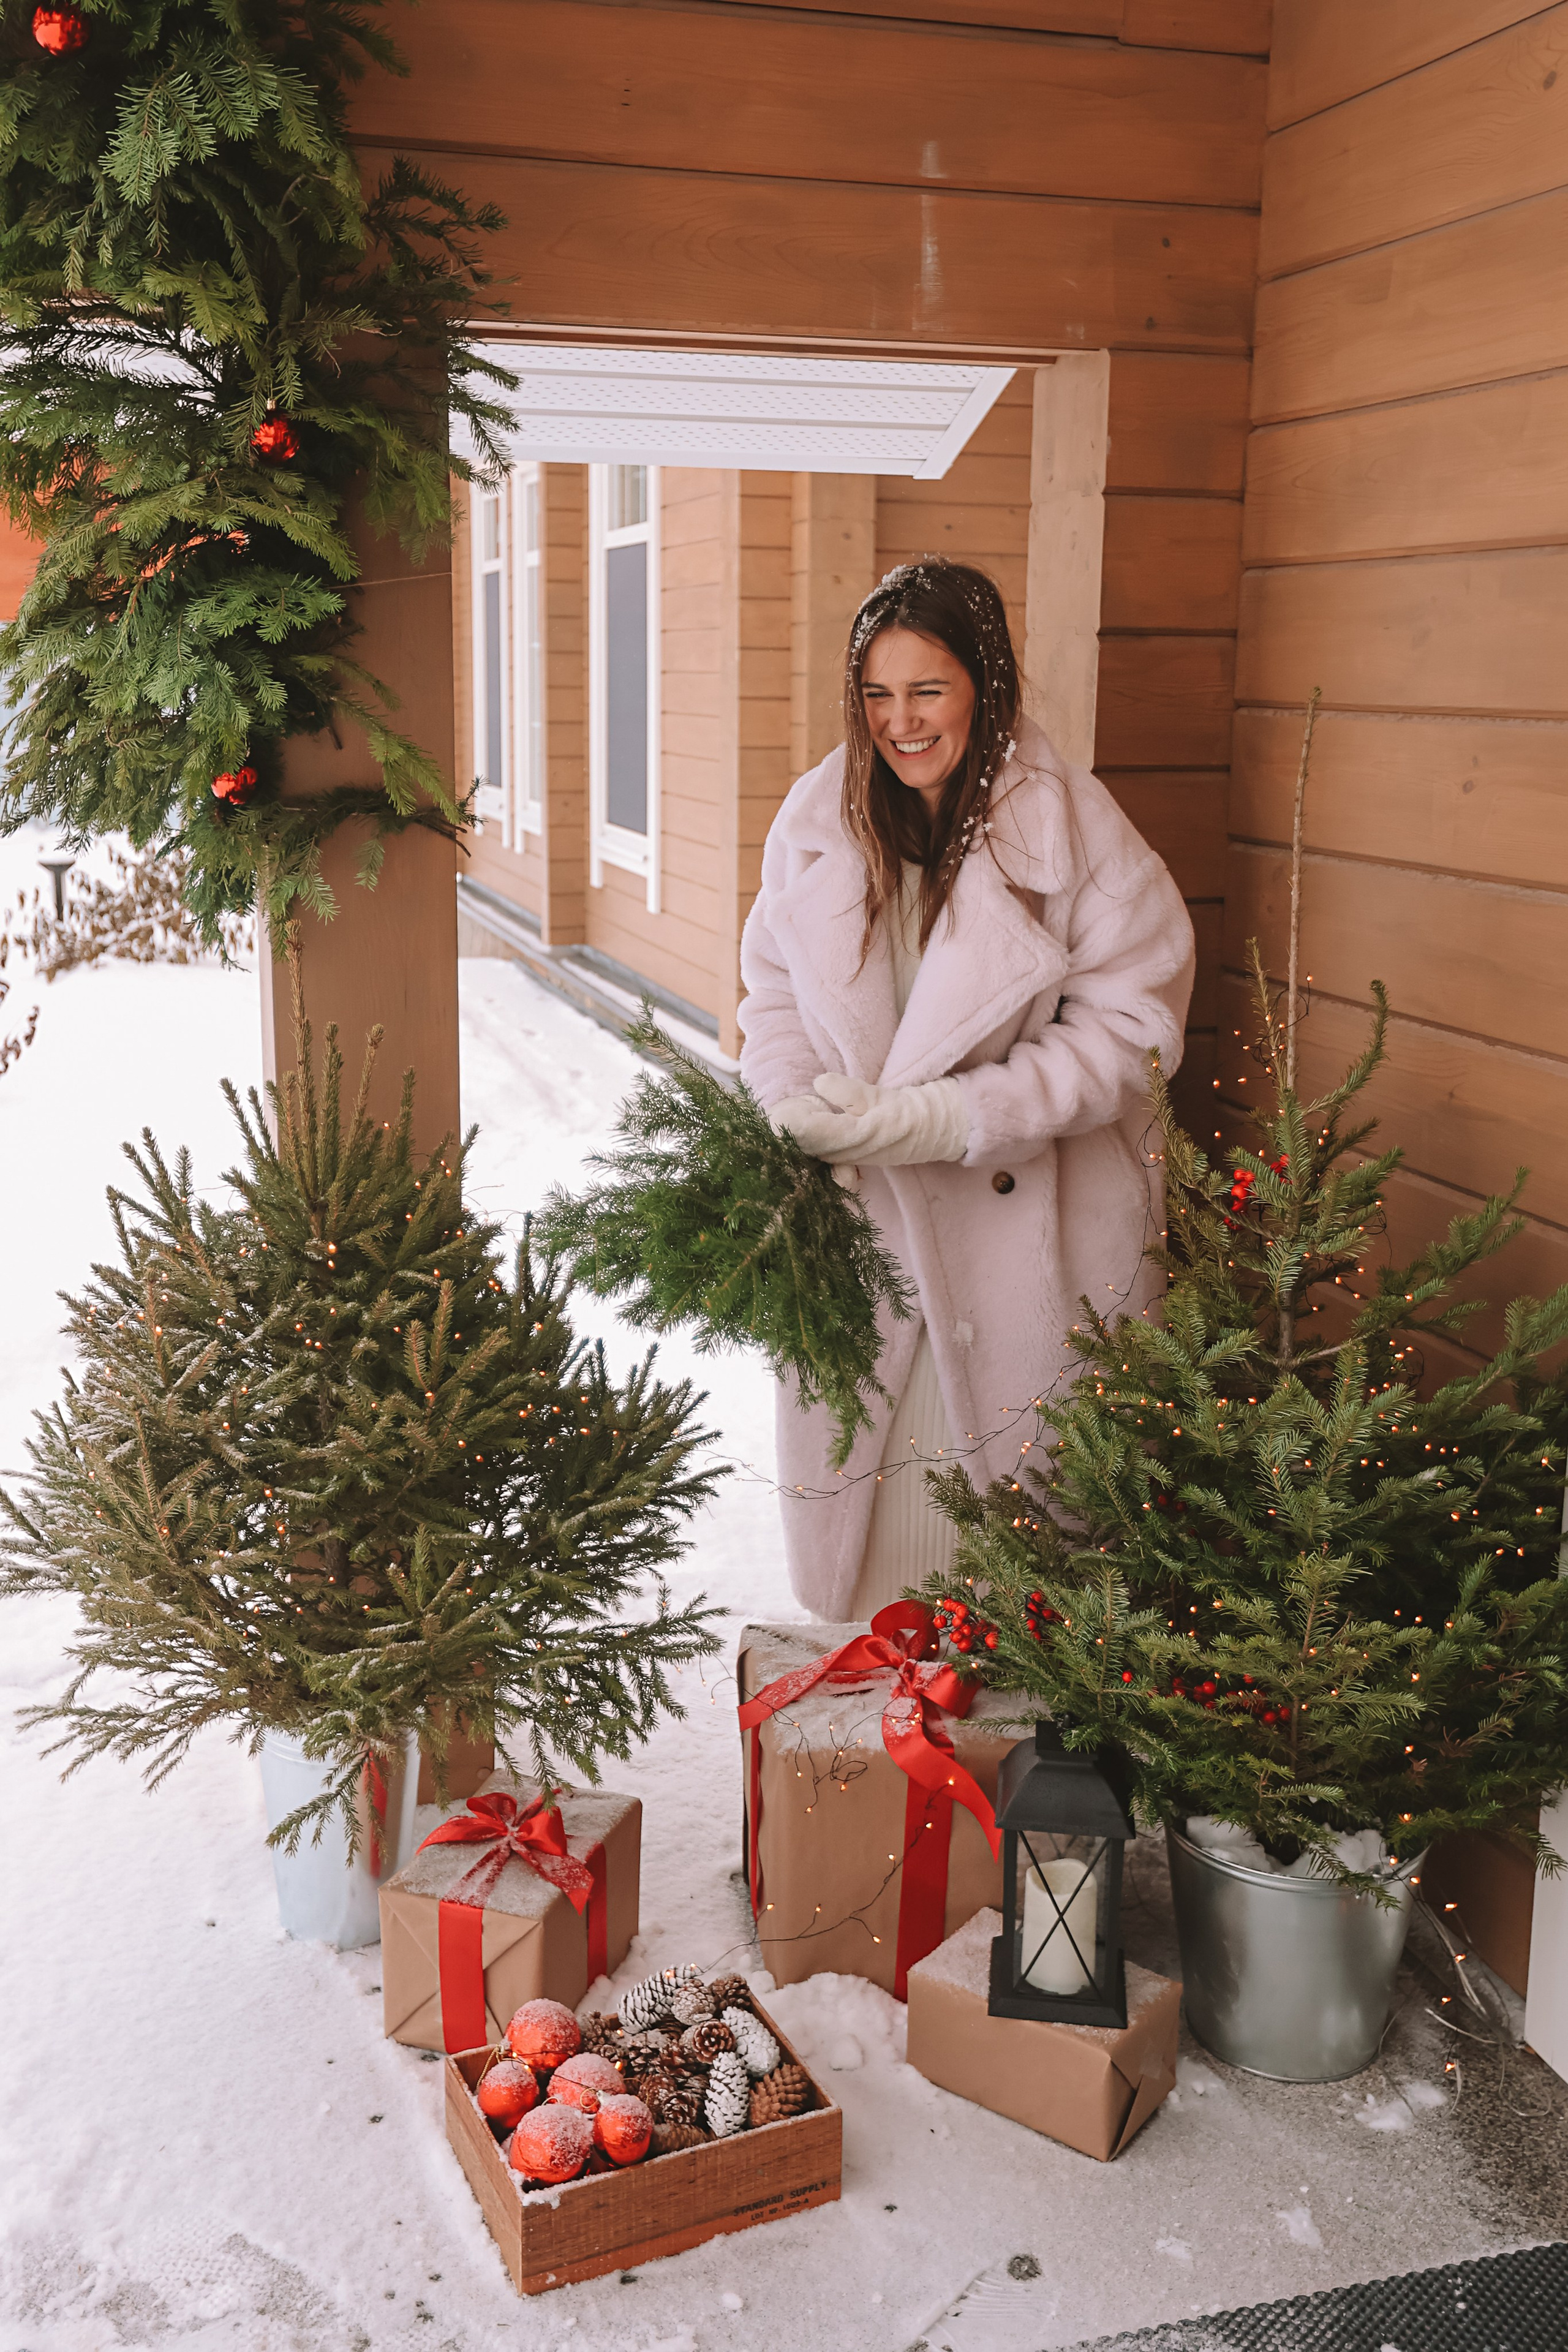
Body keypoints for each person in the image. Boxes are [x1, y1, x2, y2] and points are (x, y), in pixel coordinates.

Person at [736, 557, 1195, 1623]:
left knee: (1005, 1585)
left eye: (928, 689)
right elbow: (772, 992)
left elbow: (1136, 1033)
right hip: (867, 1247)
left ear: (985, 686)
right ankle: (875, 1785)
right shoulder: (816, 822)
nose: (901, 722)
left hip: (1027, 1245)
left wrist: (955, 1117)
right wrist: (791, 1098)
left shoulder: (1079, 833)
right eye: (877, 694)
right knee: (879, 1572)